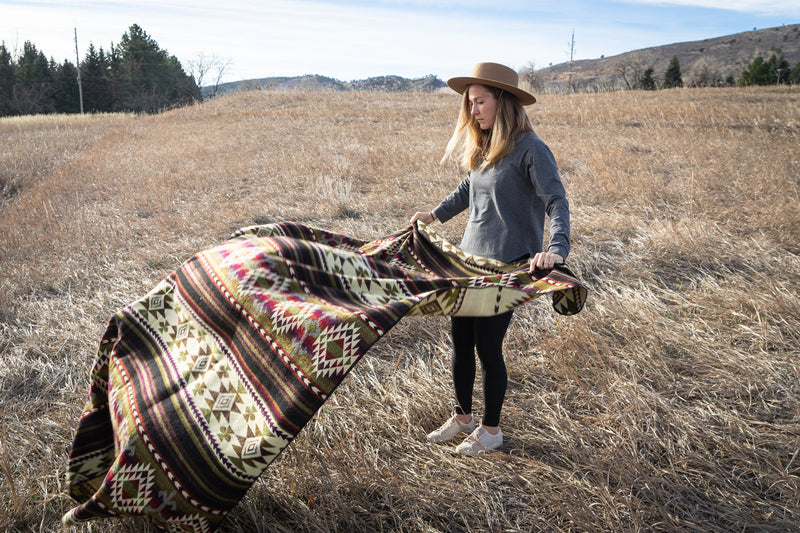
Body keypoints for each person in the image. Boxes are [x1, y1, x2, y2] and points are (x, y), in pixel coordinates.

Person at [411, 62, 570, 455]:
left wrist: (556, 249)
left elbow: (556, 201)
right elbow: (469, 188)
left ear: (503, 101)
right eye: (470, 104)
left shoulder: (531, 149)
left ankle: (491, 430)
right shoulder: (485, 145)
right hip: (470, 262)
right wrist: (434, 215)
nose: (473, 111)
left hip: (508, 266)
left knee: (488, 347)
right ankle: (463, 417)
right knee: (461, 344)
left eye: (480, 102)